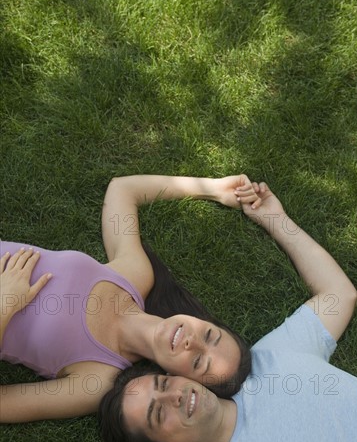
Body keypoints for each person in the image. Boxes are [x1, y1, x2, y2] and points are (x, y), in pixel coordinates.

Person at [98, 182, 357, 442]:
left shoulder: (270, 356)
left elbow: (340, 296)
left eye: (164, 386)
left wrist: (275, 218)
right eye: (157, 414)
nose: (174, 398)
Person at [0, 174, 259, 423]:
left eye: (198, 361)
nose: (192, 341)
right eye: (208, 335)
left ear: (178, 378)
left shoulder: (97, 381)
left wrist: (5, 305)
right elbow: (122, 190)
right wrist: (213, 189)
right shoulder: (137, 275)